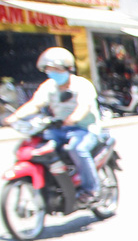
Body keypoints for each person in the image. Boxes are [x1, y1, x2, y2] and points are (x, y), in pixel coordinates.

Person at [3, 47, 101, 203]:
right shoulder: (48, 86)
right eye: (49, 69)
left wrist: (72, 118)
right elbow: (35, 104)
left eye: (56, 69)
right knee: (36, 148)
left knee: (77, 149)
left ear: (67, 69)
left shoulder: (82, 84)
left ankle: (91, 189)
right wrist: (14, 117)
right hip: (59, 129)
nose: (52, 72)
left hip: (85, 129)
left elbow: (84, 106)